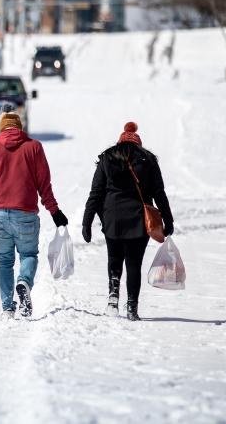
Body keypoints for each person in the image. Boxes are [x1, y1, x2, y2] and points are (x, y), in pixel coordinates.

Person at [0, 109, 68, 319]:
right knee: (29, 255)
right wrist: (55, 212)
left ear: (1, 127)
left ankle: (7, 307)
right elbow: (44, 186)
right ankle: (24, 282)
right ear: (19, 127)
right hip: (25, 213)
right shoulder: (34, 147)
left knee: (4, 261)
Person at [81, 122, 174, 321]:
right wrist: (168, 219)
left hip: (112, 218)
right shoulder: (148, 160)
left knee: (114, 259)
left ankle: (113, 300)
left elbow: (96, 193)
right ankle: (132, 308)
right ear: (138, 143)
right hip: (139, 220)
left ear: (120, 141)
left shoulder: (107, 158)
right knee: (134, 263)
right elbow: (159, 193)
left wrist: (86, 222)